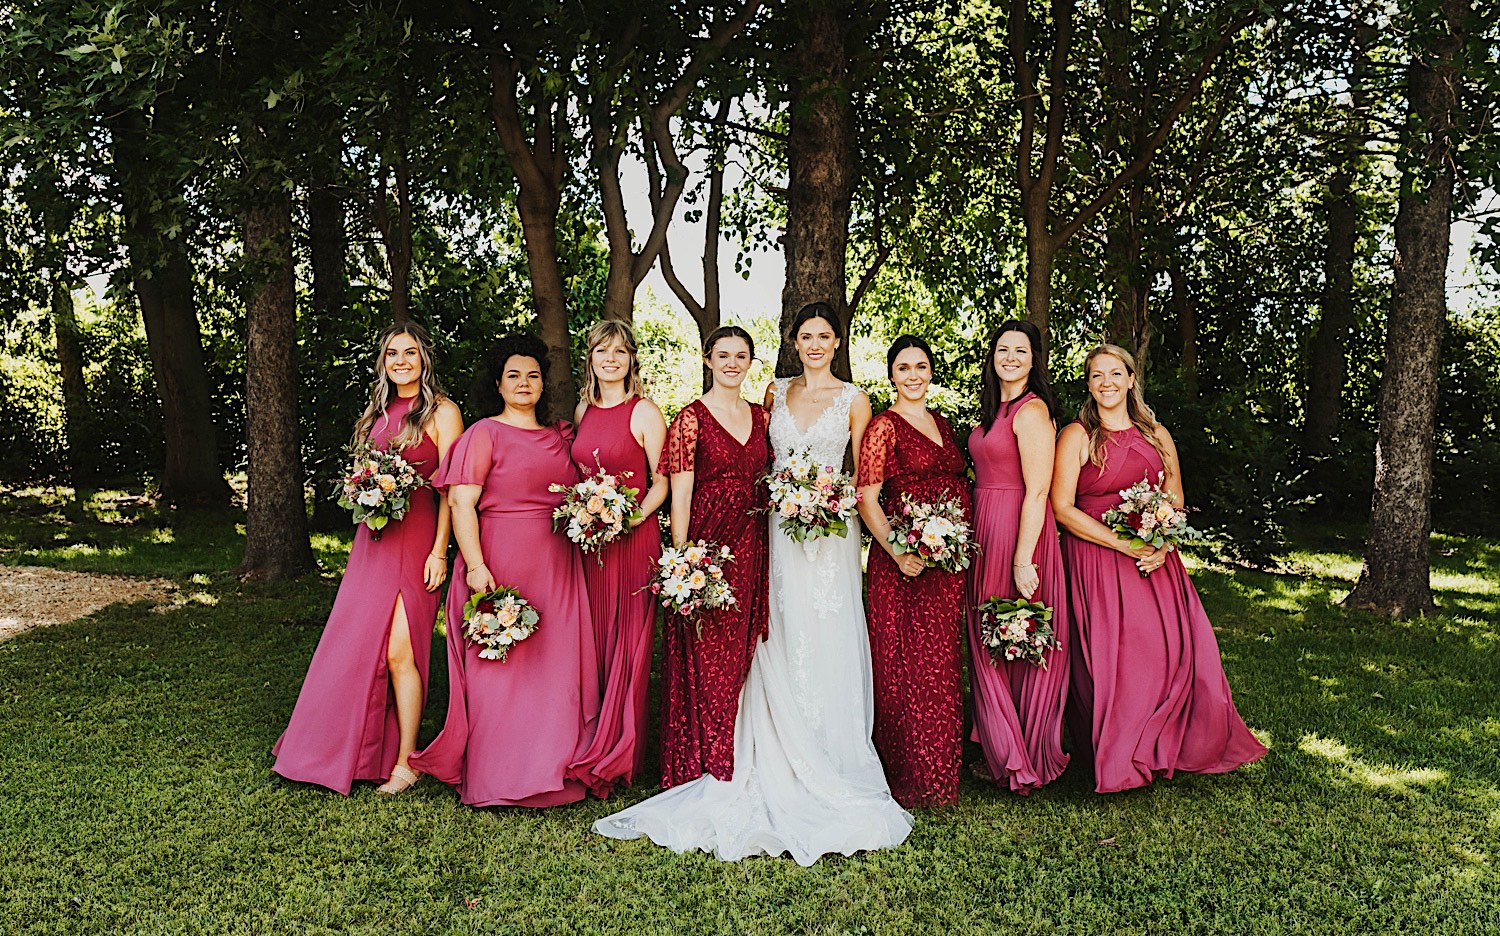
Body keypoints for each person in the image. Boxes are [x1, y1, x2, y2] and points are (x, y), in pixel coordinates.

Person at [594, 303, 911, 864]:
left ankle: (833, 754)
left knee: (829, 632)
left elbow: (863, 479)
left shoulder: (855, 400)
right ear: (793, 341)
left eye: (824, 336)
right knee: (777, 635)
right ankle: (766, 747)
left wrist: (833, 505)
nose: (814, 344)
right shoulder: (774, 395)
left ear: (837, 342)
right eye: (805, 336)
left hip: (831, 536)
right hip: (775, 536)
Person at [1052, 344, 1267, 793]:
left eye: (1115, 374)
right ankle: (1121, 757)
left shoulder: (1156, 434)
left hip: (1153, 559)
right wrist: (1123, 545)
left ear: (1132, 380)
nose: (1107, 383)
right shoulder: (1077, 435)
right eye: (1097, 375)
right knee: (1114, 660)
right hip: (1096, 557)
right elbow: (1063, 509)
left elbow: (1175, 498)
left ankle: (1161, 746)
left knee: (1167, 655)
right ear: (1088, 384)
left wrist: (1161, 544)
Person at [408, 334, 606, 806]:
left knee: (555, 668)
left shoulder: (561, 436)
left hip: (557, 564)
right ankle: (499, 778)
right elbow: (460, 502)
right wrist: (475, 565)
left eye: (533, 376)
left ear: (543, 384)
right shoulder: (483, 434)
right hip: (499, 561)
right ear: (498, 383)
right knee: (500, 669)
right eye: (514, 375)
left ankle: (554, 770)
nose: (524, 383)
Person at [273, 322, 463, 795]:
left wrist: (441, 551)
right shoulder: (374, 416)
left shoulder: (443, 412)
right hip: (373, 544)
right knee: (359, 647)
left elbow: (450, 491)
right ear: (384, 362)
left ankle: (406, 762)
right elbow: (362, 475)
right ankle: (349, 748)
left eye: (411, 353)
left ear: (425, 360)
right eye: (393, 353)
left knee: (403, 651)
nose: (401, 361)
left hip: (419, 543)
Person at [650, 325, 771, 789]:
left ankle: (738, 746)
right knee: (706, 646)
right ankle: (703, 754)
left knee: (741, 646)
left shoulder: (761, 417)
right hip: (709, 542)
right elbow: (679, 495)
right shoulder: (690, 418)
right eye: (724, 355)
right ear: (707, 360)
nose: (732, 364)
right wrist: (683, 559)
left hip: (753, 540)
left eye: (741, 356)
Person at [857, 335, 971, 808]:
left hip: (945, 565)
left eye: (921, 366)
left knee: (940, 660)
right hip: (902, 564)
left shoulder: (943, 424)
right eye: (903, 368)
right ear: (891, 376)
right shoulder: (884, 427)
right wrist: (898, 550)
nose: (913, 375)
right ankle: (904, 770)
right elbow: (867, 496)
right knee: (902, 662)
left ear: (931, 371)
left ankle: (942, 766)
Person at [965, 321, 1072, 793]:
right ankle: (999, 745)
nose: (1010, 357)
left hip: (1019, 529)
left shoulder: (1031, 412)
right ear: (992, 356)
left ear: (1034, 360)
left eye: (1021, 350)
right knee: (991, 633)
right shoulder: (996, 410)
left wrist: (1022, 558)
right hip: (986, 524)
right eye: (1002, 348)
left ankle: (1023, 751)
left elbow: (1039, 489)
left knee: (1019, 631)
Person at [568, 321, 669, 793]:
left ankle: (621, 755)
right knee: (594, 642)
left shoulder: (645, 411)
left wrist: (629, 518)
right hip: (591, 547)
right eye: (602, 351)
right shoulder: (583, 408)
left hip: (633, 541)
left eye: (620, 352)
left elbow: (663, 480)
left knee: (629, 644)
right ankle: (591, 739)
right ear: (590, 357)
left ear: (632, 359)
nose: (611, 359)